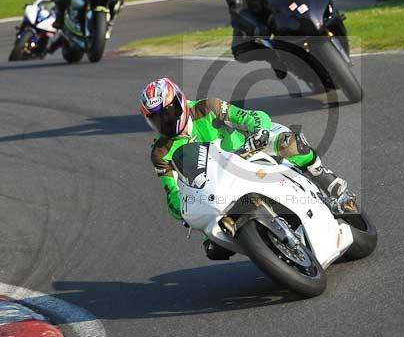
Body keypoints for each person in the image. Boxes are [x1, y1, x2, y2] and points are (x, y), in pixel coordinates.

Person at [139, 77, 354, 261]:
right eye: (157, 118)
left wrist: (257, 131)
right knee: (215, 249)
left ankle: (325, 178)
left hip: (247, 155)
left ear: (181, 101)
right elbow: (172, 195)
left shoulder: (207, 107)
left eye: (168, 112)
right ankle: (269, 249)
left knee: (288, 143)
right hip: (215, 191)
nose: (165, 121)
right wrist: (185, 210)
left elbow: (250, 116)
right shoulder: (160, 153)